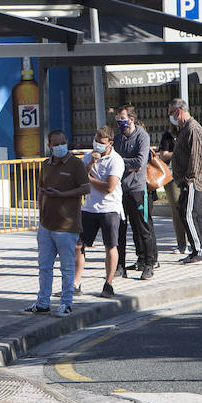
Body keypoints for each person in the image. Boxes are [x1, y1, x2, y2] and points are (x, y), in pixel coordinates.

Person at [25, 129, 90, 318]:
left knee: (67, 267)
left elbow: (86, 188)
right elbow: (41, 190)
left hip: (66, 225)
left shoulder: (76, 164)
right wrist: (40, 214)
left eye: (63, 142)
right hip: (46, 224)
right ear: (49, 146)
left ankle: (66, 303)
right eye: (56, 144)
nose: (60, 146)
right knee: (44, 266)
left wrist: (62, 195)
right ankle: (43, 302)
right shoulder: (46, 165)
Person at [75, 127, 123, 297]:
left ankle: (108, 284)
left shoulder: (116, 160)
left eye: (101, 142)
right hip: (89, 208)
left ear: (110, 143)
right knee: (78, 245)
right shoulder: (89, 157)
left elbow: (109, 187)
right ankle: (75, 283)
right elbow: (79, 179)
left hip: (109, 208)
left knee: (110, 246)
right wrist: (90, 165)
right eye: (96, 141)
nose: (97, 145)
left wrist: (89, 179)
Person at [113, 104, 157, 279]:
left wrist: (120, 163)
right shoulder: (117, 138)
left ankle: (149, 264)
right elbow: (112, 159)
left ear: (131, 119)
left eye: (122, 118)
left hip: (137, 190)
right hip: (120, 190)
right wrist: (124, 164)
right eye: (118, 118)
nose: (119, 121)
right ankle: (120, 266)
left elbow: (139, 162)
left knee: (143, 228)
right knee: (120, 230)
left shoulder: (142, 136)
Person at [168, 99, 202, 264]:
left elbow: (195, 157)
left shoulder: (193, 128)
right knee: (188, 213)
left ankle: (199, 250)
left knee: (189, 214)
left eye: (171, 113)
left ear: (178, 111)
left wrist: (188, 180)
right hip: (187, 180)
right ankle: (196, 248)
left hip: (192, 181)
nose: (171, 117)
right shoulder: (184, 129)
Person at [156, 123, 188, 257]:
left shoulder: (190, 131)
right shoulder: (168, 136)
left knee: (193, 209)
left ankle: (201, 242)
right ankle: (182, 243)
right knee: (177, 209)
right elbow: (163, 155)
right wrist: (179, 154)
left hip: (189, 175)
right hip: (172, 177)